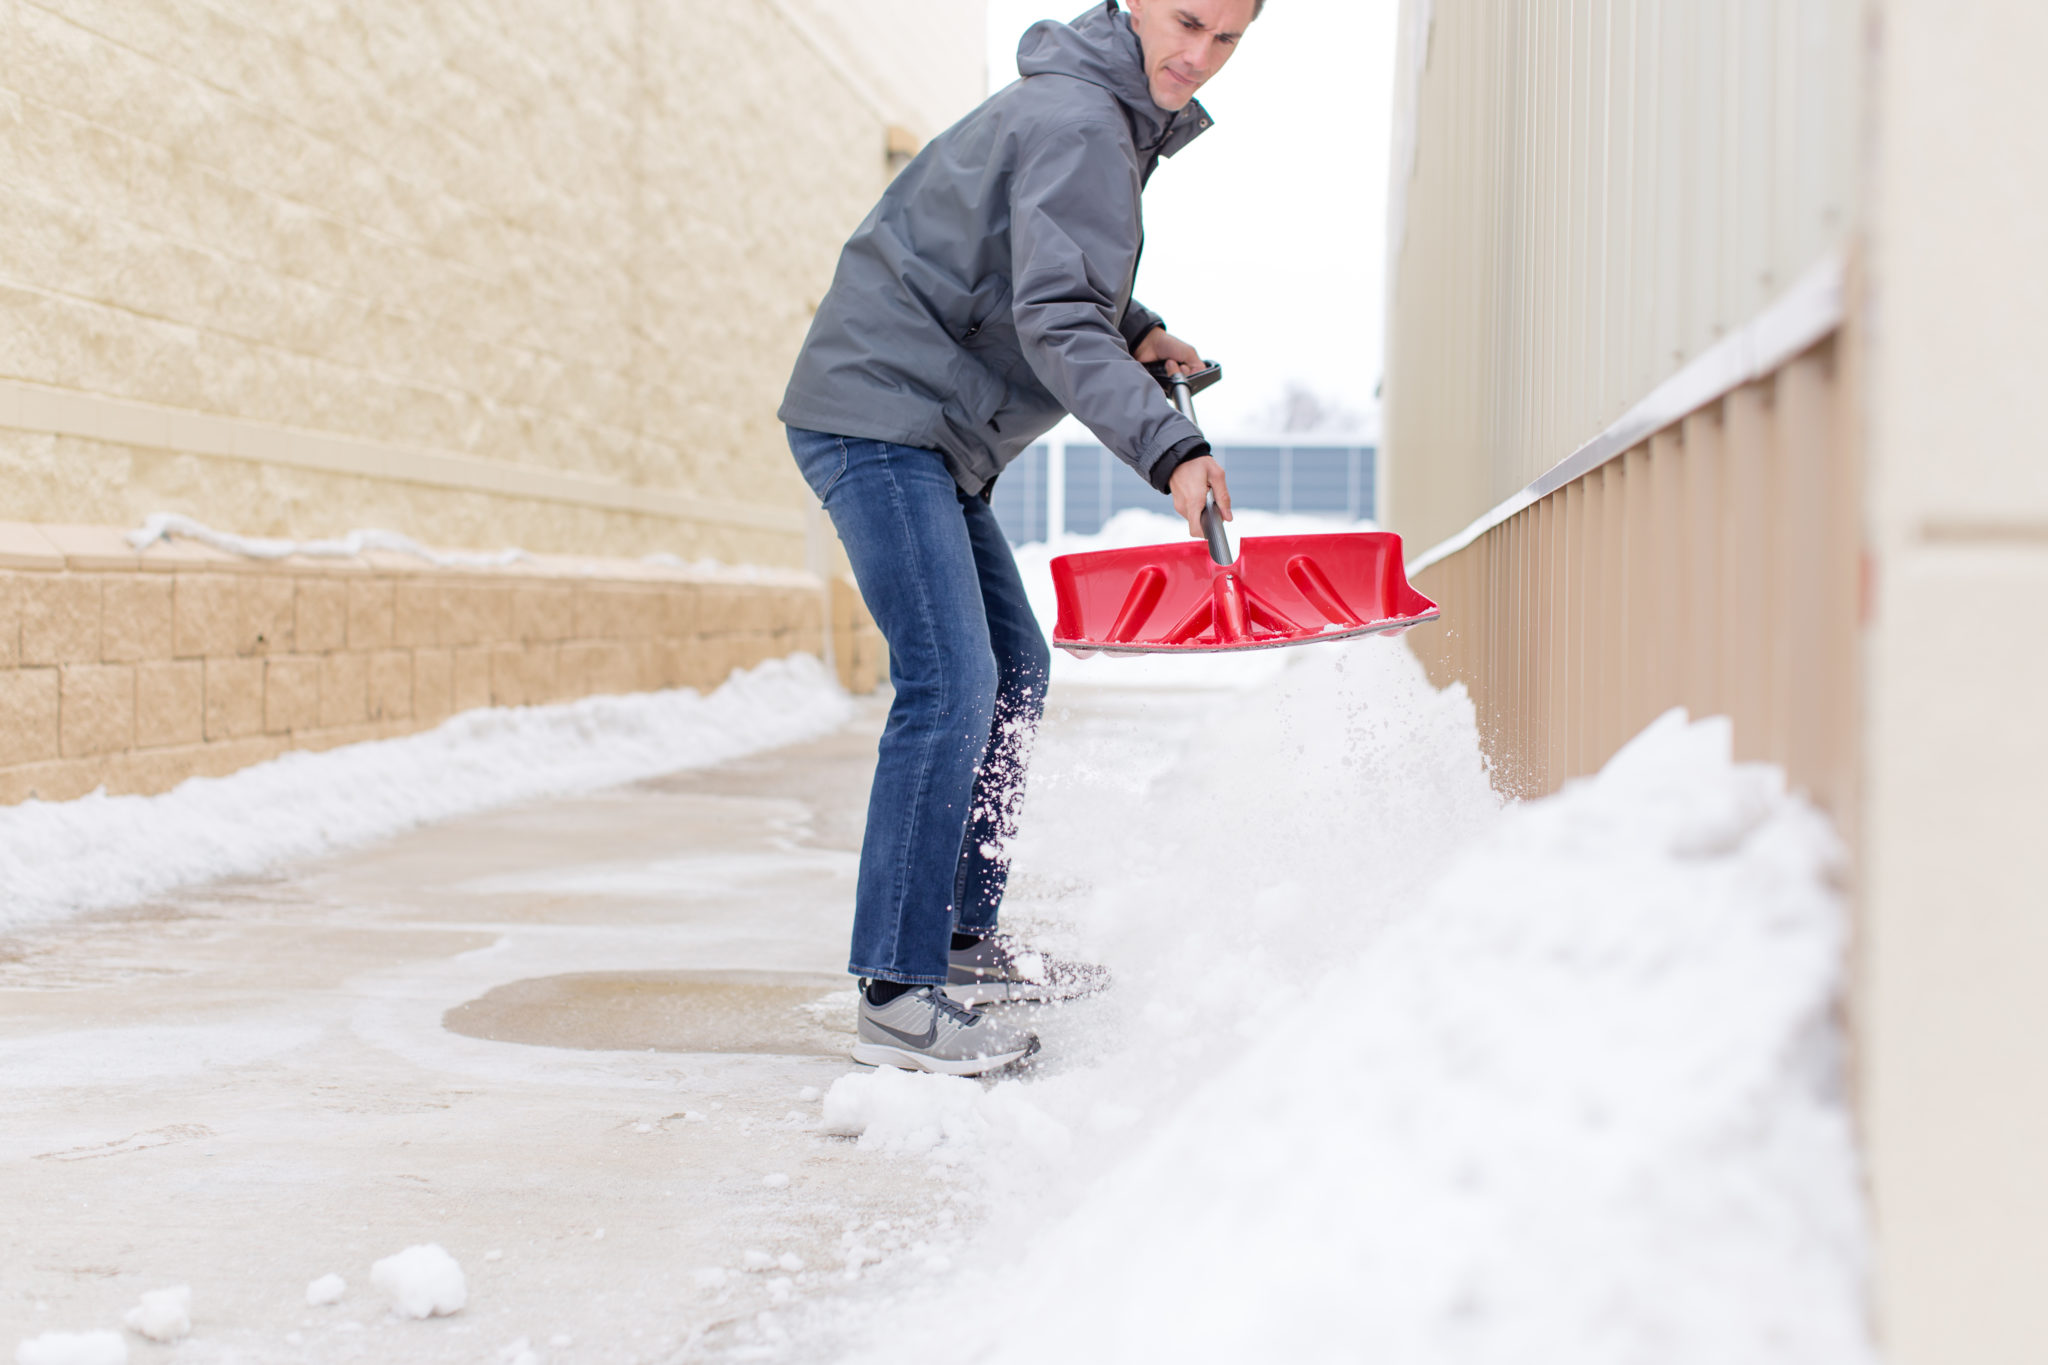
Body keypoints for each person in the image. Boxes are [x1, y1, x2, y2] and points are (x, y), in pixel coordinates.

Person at [779, 0, 1262, 1075]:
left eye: (1227, 38)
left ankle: (960, 937)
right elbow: (1053, 316)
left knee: (1011, 671)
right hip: (881, 414)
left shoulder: (1097, 112)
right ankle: (896, 991)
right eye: (1186, 20)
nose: (1199, 55)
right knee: (951, 680)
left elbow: (1034, 262)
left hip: (926, 428)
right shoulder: (1086, 117)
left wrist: (1137, 329)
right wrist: (1171, 450)